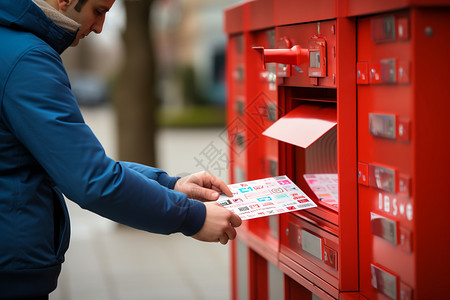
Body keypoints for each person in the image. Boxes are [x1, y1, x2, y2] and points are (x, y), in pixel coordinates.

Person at [0, 0, 242, 299]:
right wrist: (192, 218)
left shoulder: (10, 45)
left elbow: (71, 165)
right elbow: (92, 180)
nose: (100, 27)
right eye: (98, 10)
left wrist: (171, 185)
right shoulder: (27, 59)